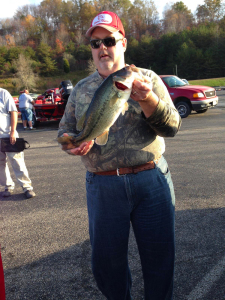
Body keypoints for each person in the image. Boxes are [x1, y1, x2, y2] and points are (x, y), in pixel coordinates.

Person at [58, 11, 181, 300]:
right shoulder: (81, 89)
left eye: (109, 41)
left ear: (123, 43)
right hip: (103, 186)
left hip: (152, 180)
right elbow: (64, 131)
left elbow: (173, 126)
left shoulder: (148, 79)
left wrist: (147, 98)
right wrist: (70, 144)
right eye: (95, 43)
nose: (102, 48)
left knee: (160, 262)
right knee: (106, 266)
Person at [0, 88, 36, 199]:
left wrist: (12, 132)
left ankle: (27, 187)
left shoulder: (3, 93)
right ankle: (8, 186)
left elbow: (14, 112)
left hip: (7, 135)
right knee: (0, 164)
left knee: (17, 162)